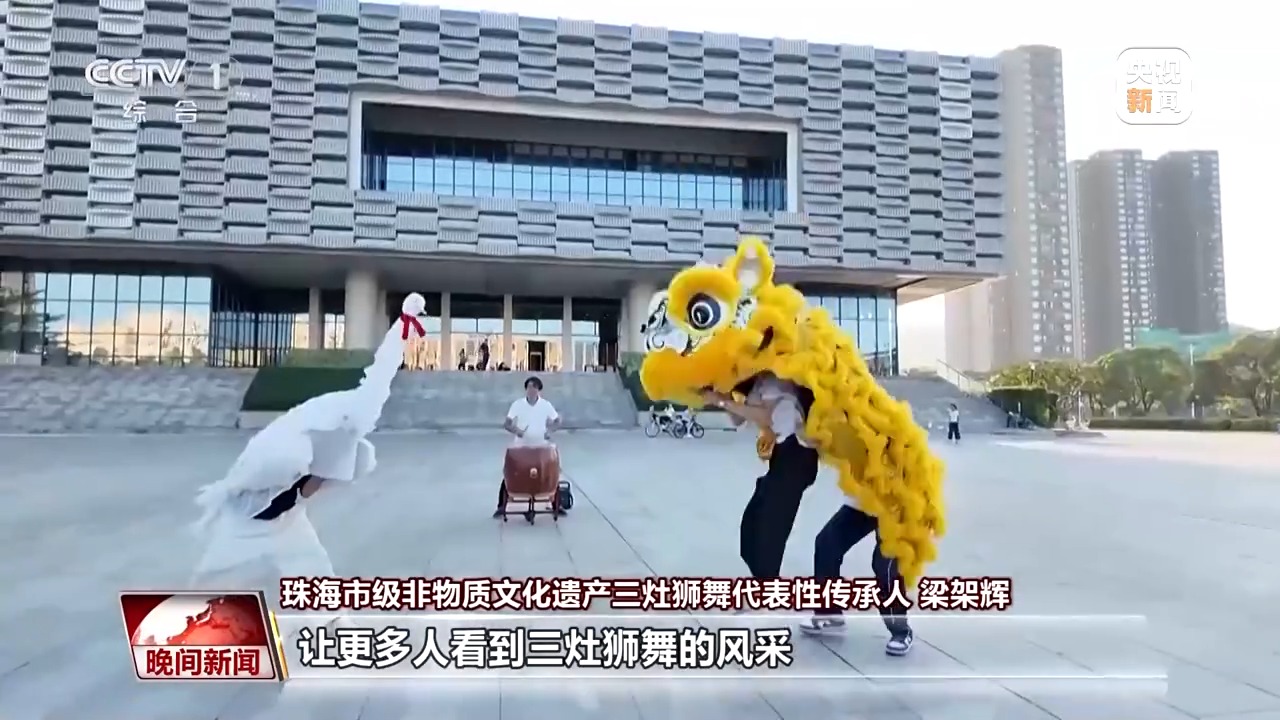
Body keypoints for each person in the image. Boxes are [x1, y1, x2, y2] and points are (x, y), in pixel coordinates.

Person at [189, 294, 427, 600]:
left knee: (315, 571)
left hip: (288, 520)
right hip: (246, 519)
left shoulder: (349, 438)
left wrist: (404, 325)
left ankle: (332, 623)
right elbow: (245, 482)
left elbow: (382, 373)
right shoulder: (293, 444)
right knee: (215, 577)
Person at [702, 374, 820, 582]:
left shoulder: (775, 379)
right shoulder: (757, 384)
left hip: (797, 455)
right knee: (751, 529)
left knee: (770, 532)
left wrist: (723, 402)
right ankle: (764, 580)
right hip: (782, 457)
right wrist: (722, 397)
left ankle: (767, 585)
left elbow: (767, 417)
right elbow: (739, 420)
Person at [797, 500, 915, 656]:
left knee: (885, 565)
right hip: (865, 498)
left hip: (899, 504)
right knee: (827, 543)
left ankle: (901, 631)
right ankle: (830, 614)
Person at [494, 376, 564, 517]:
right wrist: (517, 431)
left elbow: (557, 420)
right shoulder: (518, 404)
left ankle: (557, 504)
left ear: (539, 390)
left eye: (535, 388)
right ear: (526, 389)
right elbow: (507, 423)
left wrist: (550, 431)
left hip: (541, 444)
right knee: (510, 473)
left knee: (551, 473)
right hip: (522, 445)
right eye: (529, 387)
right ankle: (501, 506)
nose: (532, 390)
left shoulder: (545, 405)